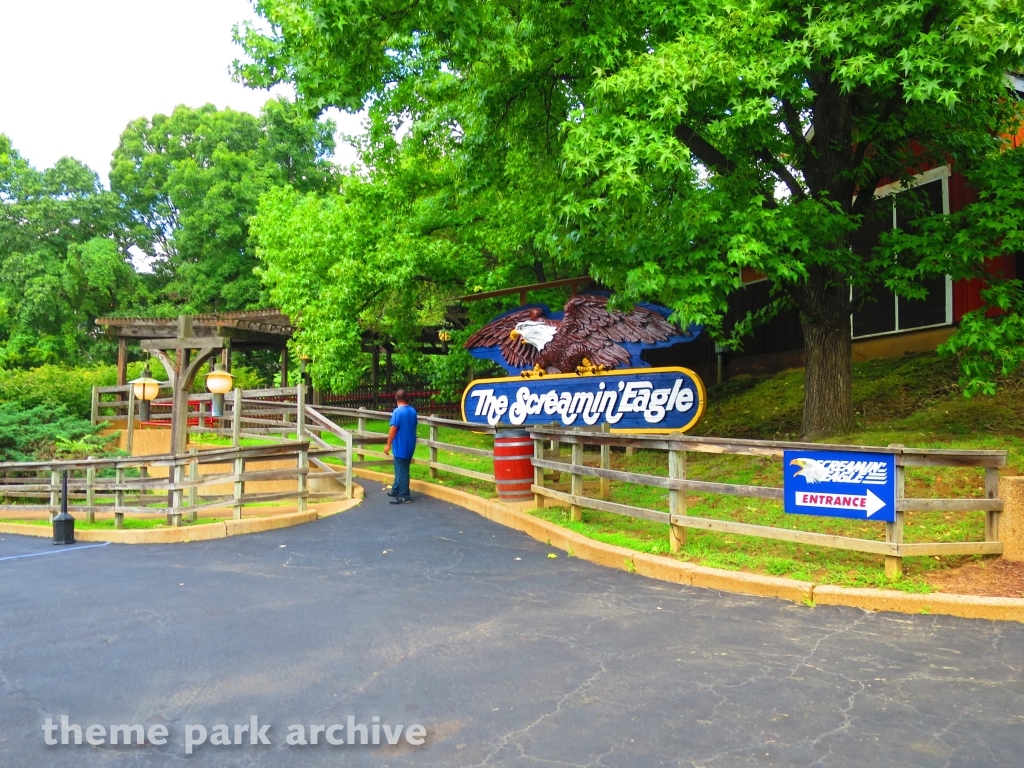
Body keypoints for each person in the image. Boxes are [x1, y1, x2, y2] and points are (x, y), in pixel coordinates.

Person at [384, 388, 417, 504]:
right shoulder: (413, 411)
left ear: (396, 398)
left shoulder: (397, 412)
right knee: (399, 467)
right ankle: (396, 488)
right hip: (410, 444)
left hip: (401, 445)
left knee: (402, 470)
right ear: (406, 398)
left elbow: (393, 429)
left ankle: (404, 495)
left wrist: (388, 445)